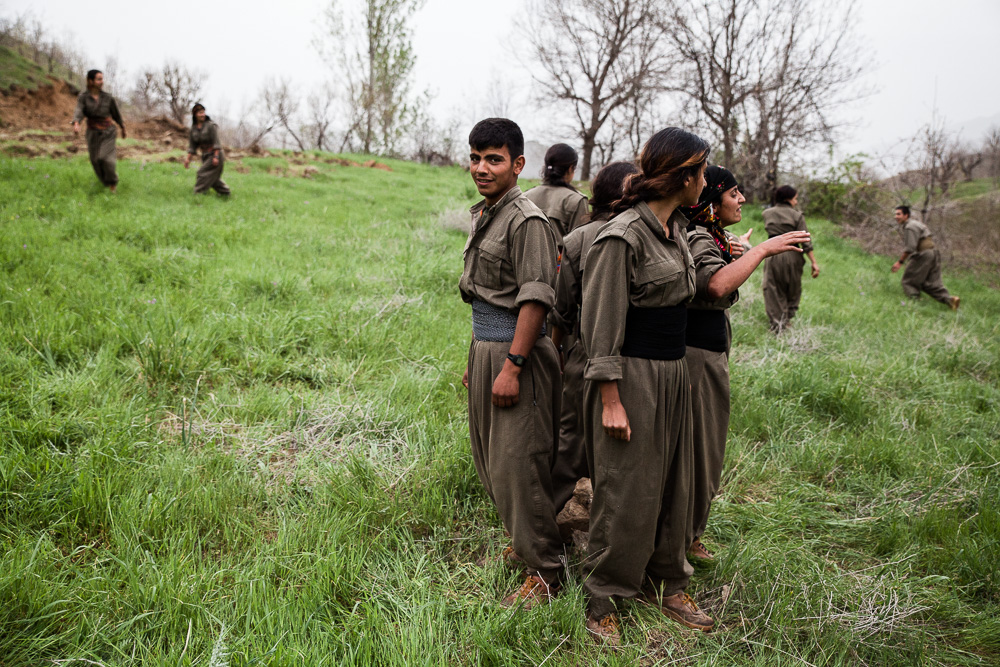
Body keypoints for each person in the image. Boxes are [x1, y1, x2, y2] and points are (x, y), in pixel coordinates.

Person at [580, 127, 711, 643]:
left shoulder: (675, 229)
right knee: (626, 487)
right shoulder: (622, 235)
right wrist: (610, 398)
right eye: (701, 172)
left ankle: (669, 580)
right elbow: (600, 324)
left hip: (675, 372)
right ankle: (604, 597)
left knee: (675, 481)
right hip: (632, 375)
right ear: (683, 176)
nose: (705, 181)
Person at [459, 118, 565, 609]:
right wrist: (477, 357)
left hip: (515, 352)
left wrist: (513, 365)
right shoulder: (487, 213)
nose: (482, 168)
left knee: (519, 464)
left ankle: (545, 572)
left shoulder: (527, 221)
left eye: (494, 159)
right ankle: (526, 545)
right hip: (489, 347)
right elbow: (485, 296)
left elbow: (535, 299)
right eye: (476, 157)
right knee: (492, 462)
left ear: (518, 164)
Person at [682, 167, 811, 562]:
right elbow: (715, 286)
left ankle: (688, 535)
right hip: (695, 359)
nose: (741, 200)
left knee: (705, 452)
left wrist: (734, 250)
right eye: (734, 193)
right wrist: (761, 251)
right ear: (713, 200)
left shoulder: (711, 235)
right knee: (701, 455)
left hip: (707, 354)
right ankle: (682, 539)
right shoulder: (699, 234)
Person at [548, 161, 638, 513]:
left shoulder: (578, 238)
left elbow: (561, 309)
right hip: (630, 353)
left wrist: (558, 352)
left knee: (572, 439)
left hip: (584, 354)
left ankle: (551, 522)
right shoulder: (635, 234)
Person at [761, 185, 820, 333]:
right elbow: (806, 242)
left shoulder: (767, 213)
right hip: (792, 253)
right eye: (795, 198)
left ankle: (776, 323)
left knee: (772, 287)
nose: (796, 201)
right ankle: (786, 319)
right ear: (789, 198)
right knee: (793, 287)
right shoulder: (797, 216)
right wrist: (814, 262)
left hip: (771, 252)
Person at [891, 206, 959, 309]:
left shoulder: (910, 226)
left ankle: (914, 305)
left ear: (906, 215)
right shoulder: (915, 223)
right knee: (929, 283)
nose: (896, 217)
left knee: (909, 281)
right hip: (933, 253)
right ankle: (950, 300)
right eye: (895, 214)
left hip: (924, 254)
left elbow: (910, 248)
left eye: (899, 214)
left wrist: (900, 262)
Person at [524, 143, 590, 245]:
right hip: (559, 260)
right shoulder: (576, 200)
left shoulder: (526, 196)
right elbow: (581, 244)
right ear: (570, 168)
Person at [72, 69, 126, 192]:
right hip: (92, 133)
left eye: (102, 79)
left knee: (106, 159)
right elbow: (79, 110)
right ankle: (106, 183)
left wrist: (122, 127)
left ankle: (112, 184)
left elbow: (116, 114)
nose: (102, 82)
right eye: (99, 79)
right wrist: (76, 123)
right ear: (90, 81)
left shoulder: (108, 98)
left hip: (108, 132)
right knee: (95, 161)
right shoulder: (83, 97)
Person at [184, 103, 231, 196]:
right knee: (212, 177)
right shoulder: (193, 128)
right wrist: (188, 159)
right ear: (195, 114)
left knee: (201, 173)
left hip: (215, 154)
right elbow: (192, 146)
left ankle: (198, 193)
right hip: (205, 155)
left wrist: (216, 156)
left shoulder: (210, 125)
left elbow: (217, 143)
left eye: (203, 112)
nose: (202, 115)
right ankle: (225, 192)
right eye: (200, 113)